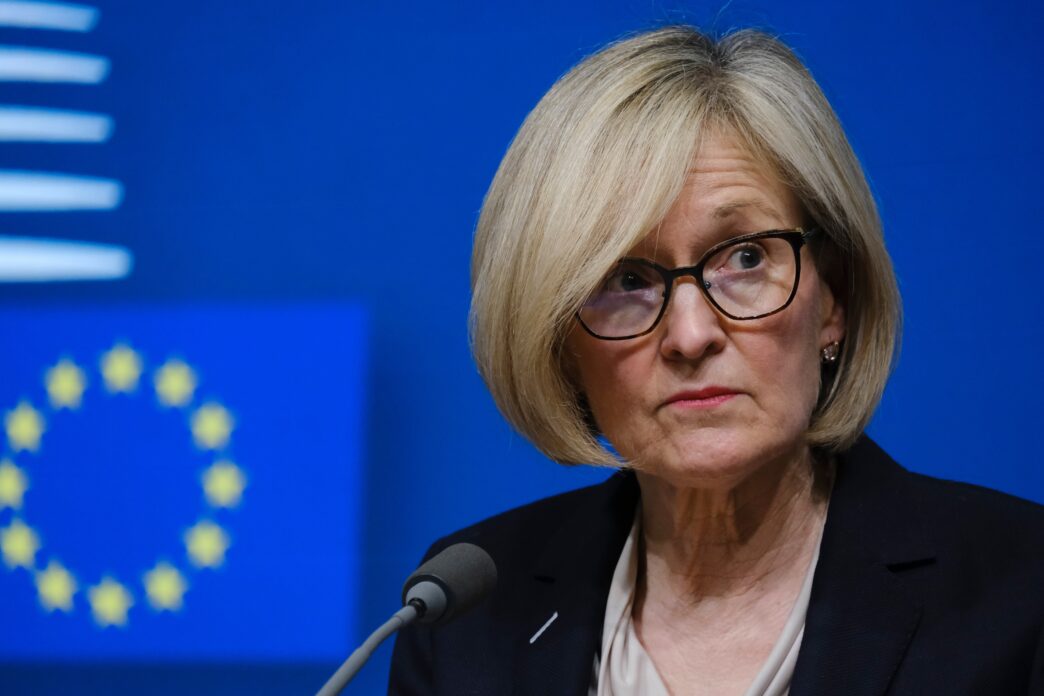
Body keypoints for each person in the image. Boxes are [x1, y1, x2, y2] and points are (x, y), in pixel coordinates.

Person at [389, 25, 1044, 695]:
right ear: (559, 344)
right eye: (625, 280)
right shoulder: (465, 614)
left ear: (834, 302)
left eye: (746, 256)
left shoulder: (1023, 591)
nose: (691, 334)